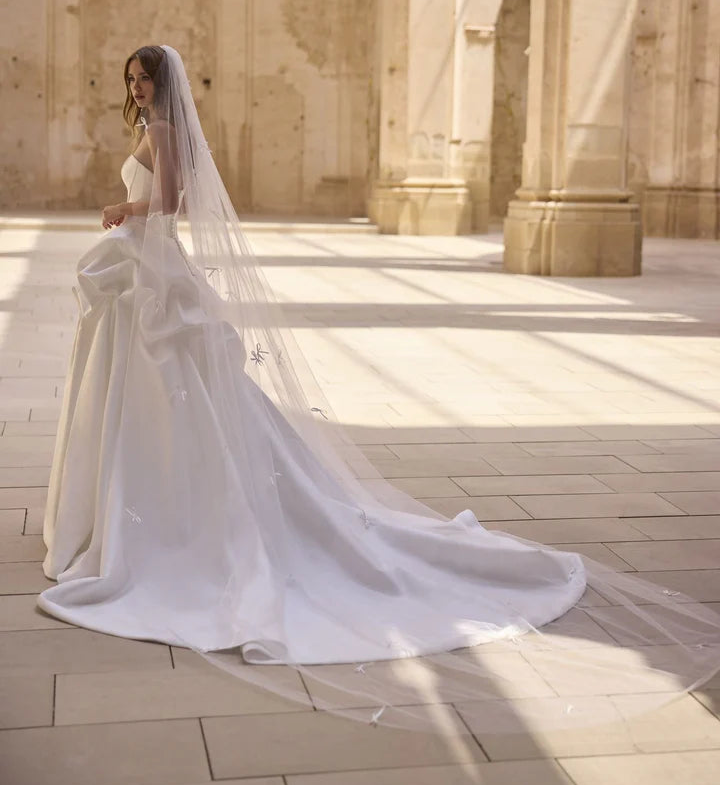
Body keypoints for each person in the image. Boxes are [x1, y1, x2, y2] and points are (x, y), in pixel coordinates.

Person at [37, 45, 720, 731]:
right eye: (131, 78)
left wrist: (125, 208)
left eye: (144, 78)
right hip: (148, 271)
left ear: (164, 83)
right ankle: (152, 498)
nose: (136, 87)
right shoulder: (155, 127)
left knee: (174, 388)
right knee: (164, 392)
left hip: (153, 267)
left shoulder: (162, 130)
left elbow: (172, 203)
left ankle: (167, 515)